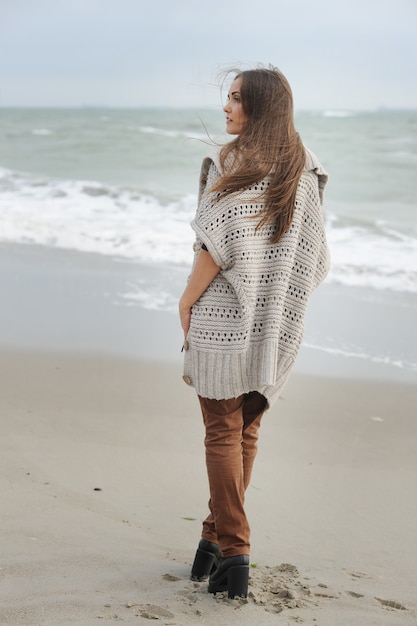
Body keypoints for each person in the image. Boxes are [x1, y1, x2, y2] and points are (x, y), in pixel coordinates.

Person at [178, 65, 330, 599]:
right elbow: (315, 261)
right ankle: (212, 539)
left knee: (222, 433)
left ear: (260, 107)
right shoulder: (304, 169)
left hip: (223, 322)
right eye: (228, 97)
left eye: (237, 99)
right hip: (274, 327)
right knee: (244, 432)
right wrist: (275, 301)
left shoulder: (235, 163)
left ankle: (236, 551)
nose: (226, 108)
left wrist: (186, 300)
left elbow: (213, 249)